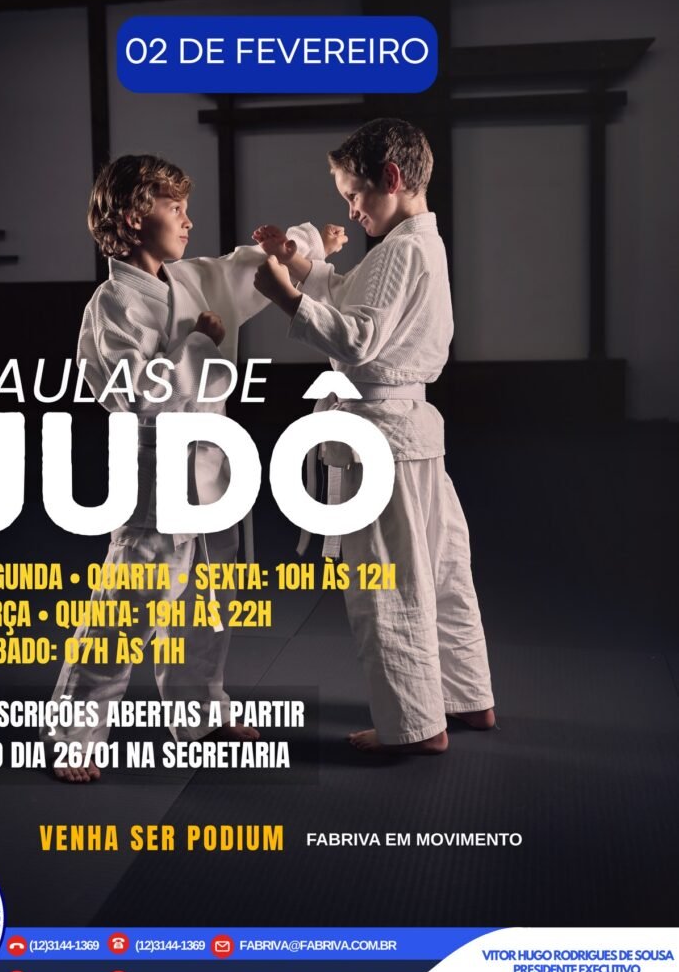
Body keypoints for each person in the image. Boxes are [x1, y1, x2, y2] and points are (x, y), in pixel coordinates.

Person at [48, 154, 336, 781]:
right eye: (174, 208)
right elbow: (133, 394)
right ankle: (73, 733)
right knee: (129, 606)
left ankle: (199, 712)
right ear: (134, 216)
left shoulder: (190, 278)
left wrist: (307, 245)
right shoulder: (114, 304)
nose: (188, 220)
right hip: (157, 476)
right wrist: (199, 342)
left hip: (213, 468)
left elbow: (243, 268)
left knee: (208, 603)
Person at [252, 118, 495, 755]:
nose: (351, 210)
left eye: (354, 194)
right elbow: (351, 295)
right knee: (442, 570)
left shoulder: (401, 251)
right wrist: (299, 264)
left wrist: (286, 298)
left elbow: (358, 337)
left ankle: (415, 726)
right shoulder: (416, 245)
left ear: (391, 178)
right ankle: (468, 697)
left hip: (383, 439)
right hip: (412, 432)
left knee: (385, 582)